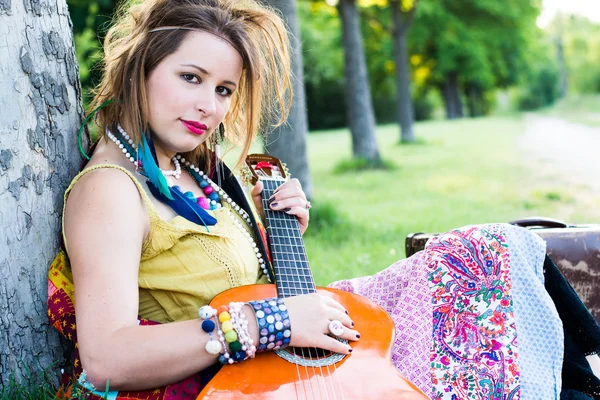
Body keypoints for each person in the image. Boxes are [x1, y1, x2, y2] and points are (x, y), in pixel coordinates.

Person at [47, 0, 598, 398]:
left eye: (223, 90)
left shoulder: (183, 165)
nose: (208, 106)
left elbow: (212, 276)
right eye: (190, 78)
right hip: (248, 367)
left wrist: (275, 229)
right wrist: (274, 323)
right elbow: (106, 359)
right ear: (139, 68)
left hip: (294, 326)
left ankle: (583, 373)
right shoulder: (110, 191)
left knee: (486, 249)